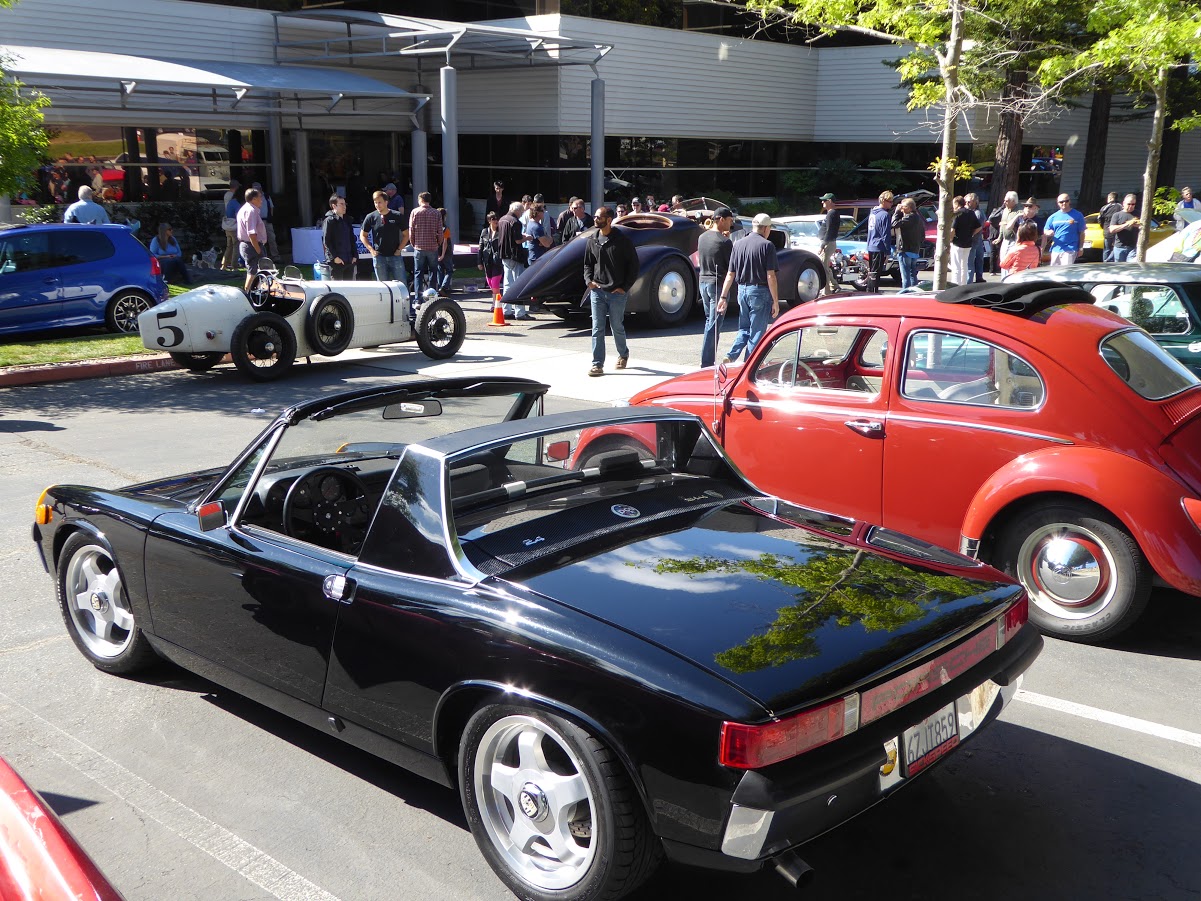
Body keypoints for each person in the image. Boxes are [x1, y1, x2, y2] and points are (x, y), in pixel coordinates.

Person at [583, 206, 639, 376]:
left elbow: (634, 266)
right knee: (597, 328)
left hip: (617, 293)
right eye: (595, 216)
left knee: (616, 326)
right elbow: (587, 264)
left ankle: (623, 354)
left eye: (598, 217)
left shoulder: (622, 240)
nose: (595, 219)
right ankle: (597, 364)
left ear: (608, 220)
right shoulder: (593, 239)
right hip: (597, 291)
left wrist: (624, 287)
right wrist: (589, 281)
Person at [720, 213, 780, 362]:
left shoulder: (738, 244)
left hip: (742, 291)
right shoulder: (767, 245)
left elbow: (730, 274)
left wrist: (723, 296)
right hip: (759, 292)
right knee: (757, 333)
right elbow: (771, 276)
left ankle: (731, 355)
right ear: (766, 228)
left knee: (744, 328)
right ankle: (749, 364)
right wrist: (776, 301)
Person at [698, 207, 734, 367]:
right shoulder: (725, 242)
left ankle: (707, 361)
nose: (731, 224)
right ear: (721, 219)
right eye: (729, 220)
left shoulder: (702, 237)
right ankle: (706, 364)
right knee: (714, 325)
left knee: (709, 321)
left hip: (703, 281)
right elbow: (731, 266)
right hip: (717, 284)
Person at [359, 189, 407, 281]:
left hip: (395, 256)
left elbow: (406, 234)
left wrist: (399, 249)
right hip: (379, 256)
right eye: (375, 202)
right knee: (383, 286)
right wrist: (371, 250)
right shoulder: (371, 217)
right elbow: (363, 235)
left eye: (380, 202)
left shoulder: (397, 215)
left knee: (401, 283)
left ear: (386, 202)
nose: (377, 205)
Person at [497, 200, 529, 319]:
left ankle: (507, 310)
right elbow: (518, 240)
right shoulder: (515, 222)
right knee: (518, 284)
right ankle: (520, 312)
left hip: (504, 254)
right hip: (515, 255)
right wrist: (527, 238)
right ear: (517, 211)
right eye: (521, 212)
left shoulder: (502, 219)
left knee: (507, 284)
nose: (522, 214)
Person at [407, 191, 442, 295]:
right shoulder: (436, 213)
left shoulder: (415, 212)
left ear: (420, 200)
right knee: (433, 272)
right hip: (432, 247)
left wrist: (413, 244)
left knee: (418, 272)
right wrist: (438, 243)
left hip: (419, 246)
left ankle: (418, 297)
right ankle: (432, 295)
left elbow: (411, 230)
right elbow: (440, 232)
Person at [237, 187, 268, 292]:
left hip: (249, 245)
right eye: (260, 197)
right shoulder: (251, 211)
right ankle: (246, 294)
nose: (261, 200)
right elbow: (251, 233)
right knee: (253, 272)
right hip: (252, 245)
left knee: (256, 272)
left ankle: (255, 293)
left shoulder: (245, 209)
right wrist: (258, 250)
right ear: (254, 199)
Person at [1043, 193, 1087, 266]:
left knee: (1065, 270)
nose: (1064, 203)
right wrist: (1048, 232)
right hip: (1056, 249)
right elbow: (1045, 230)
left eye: (1066, 201)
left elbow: (1082, 233)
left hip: (1070, 249)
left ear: (1069, 201)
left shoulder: (1078, 215)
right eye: (1061, 202)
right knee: (1054, 271)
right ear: (1058, 203)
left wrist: (1081, 248)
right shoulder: (1053, 217)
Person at [321, 194, 357, 280]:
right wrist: (334, 257)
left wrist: (355, 255)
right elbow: (327, 241)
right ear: (334, 206)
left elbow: (352, 239)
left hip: (349, 259)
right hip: (337, 261)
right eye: (341, 204)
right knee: (337, 285)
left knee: (349, 285)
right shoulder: (329, 221)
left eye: (345, 204)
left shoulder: (347, 220)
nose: (344, 206)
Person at [865, 191, 894, 293]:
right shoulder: (884, 215)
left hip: (871, 245)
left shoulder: (872, 213)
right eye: (890, 201)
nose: (892, 204)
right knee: (876, 273)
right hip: (879, 246)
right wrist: (887, 252)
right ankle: (873, 293)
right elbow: (885, 234)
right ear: (884, 201)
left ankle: (870, 291)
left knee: (872, 272)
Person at [894, 197, 925, 290]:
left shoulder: (909, 217)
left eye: (903, 206)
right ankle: (914, 293)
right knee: (913, 274)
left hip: (905, 249)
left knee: (905, 276)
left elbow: (894, 224)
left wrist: (897, 212)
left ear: (909, 208)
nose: (901, 208)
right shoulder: (919, 218)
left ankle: (906, 293)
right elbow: (923, 236)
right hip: (915, 250)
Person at [950, 195, 978, 285]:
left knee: (956, 266)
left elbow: (952, 229)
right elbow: (979, 227)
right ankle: (963, 285)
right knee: (964, 266)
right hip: (968, 243)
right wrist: (971, 234)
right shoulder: (971, 213)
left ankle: (956, 285)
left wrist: (950, 239)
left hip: (957, 243)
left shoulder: (957, 213)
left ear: (956, 203)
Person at [818, 192, 842, 295]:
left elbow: (829, 231)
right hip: (829, 242)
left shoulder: (831, 213)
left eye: (824, 200)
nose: (822, 202)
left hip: (828, 243)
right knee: (826, 267)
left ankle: (826, 292)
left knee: (823, 268)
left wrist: (822, 245)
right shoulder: (831, 213)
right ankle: (834, 285)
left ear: (830, 201)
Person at [251, 182, 279, 263]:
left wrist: (270, 217)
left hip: (267, 221)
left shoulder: (266, 196)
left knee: (272, 238)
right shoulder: (251, 198)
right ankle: (260, 258)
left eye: (258, 189)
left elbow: (271, 207)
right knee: (258, 240)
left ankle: (275, 256)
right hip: (257, 222)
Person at [1108, 194, 1142, 262]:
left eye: (1133, 204)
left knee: (1131, 265)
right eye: (1129, 204)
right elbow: (1112, 229)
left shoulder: (1139, 214)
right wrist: (1127, 224)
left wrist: (1138, 226)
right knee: (1120, 267)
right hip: (1120, 247)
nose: (1131, 206)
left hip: (1133, 247)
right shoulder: (1117, 215)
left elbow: (1145, 226)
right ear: (1123, 203)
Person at [478, 211, 504, 299]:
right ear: (489, 221)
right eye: (493, 219)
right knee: (490, 282)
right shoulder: (484, 232)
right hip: (487, 261)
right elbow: (480, 247)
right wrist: (479, 262)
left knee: (495, 283)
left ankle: (496, 303)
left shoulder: (501, 231)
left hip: (498, 261)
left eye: (497, 219)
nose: (496, 221)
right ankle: (497, 301)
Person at [966, 193, 987, 282]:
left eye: (969, 202)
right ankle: (978, 277)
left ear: (975, 202)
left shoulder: (978, 213)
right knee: (978, 259)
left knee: (970, 262)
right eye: (966, 201)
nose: (967, 203)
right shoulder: (972, 212)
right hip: (977, 239)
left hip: (974, 240)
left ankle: (969, 282)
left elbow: (979, 227)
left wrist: (969, 235)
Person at [221, 178, 241, 271]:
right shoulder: (234, 201)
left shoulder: (227, 196)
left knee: (229, 246)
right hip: (233, 224)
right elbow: (237, 214)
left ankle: (224, 264)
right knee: (236, 246)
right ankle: (234, 265)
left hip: (227, 223)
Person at [1097, 192, 1122, 262]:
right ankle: (1110, 260)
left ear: (1111, 198)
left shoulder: (1104, 208)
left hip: (1107, 231)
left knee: (1106, 249)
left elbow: (1099, 219)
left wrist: (1104, 227)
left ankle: (1106, 261)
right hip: (1117, 231)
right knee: (1116, 247)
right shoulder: (1120, 207)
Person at [436, 207, 455, 295]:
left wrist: (438, 254)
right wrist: (443, 254)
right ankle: (443, 287)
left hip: (437, 251)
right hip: (446, 253)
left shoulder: (435, 227)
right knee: (449, 270)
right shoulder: (445, 228)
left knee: (440, 270)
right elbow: (445, 242)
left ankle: (440, 288)